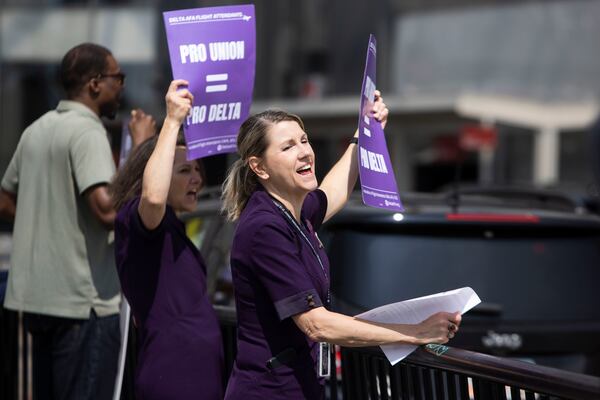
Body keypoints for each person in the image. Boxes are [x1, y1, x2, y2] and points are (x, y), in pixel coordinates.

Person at [221, 93, 462, 399]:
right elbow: (317, 324)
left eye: (304, 140)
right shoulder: (264, 227)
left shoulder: (293, 210)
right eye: (288, 146)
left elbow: (332, 193)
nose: (304, 152)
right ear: (259, 167)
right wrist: (415, 332)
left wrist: (362, 137)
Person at [0, 43, 153, 400]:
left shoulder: (36, 129)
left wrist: (53, 221)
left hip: (39, 301)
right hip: (83, 304)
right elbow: (106, 211)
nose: (123, 86)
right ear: (95, 83)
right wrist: (143, 148)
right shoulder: (88, 130)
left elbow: (5, 201)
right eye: (119, 77)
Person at [111, 79, 224, 400]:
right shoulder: (139, 218)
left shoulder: (171, 227)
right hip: (174, 378)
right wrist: (172, 119)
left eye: (198, 170)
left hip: (195, 376)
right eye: (184, 171)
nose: (197, 179)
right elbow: (154, 196)